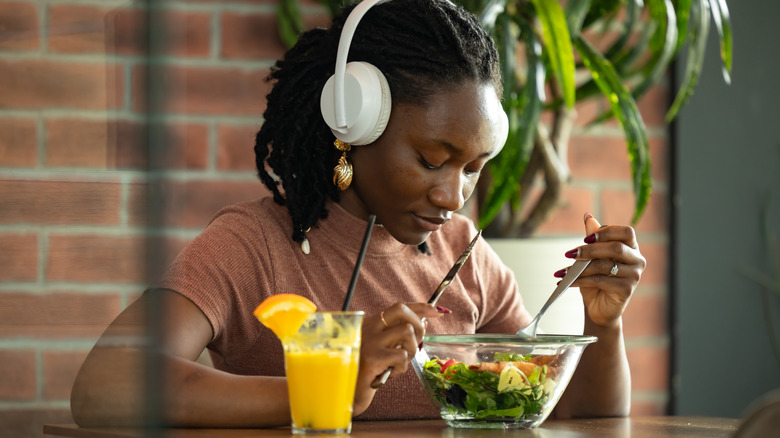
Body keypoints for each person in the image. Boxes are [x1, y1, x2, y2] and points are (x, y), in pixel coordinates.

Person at [70, 0, 646, 428]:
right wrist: (329, 385)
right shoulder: (251, 246)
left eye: (473, 168)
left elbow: (584, 414)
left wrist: (604, 321)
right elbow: (107, 386)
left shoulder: (464, 254)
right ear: (354, 125)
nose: (453, 195)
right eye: (430, 160)